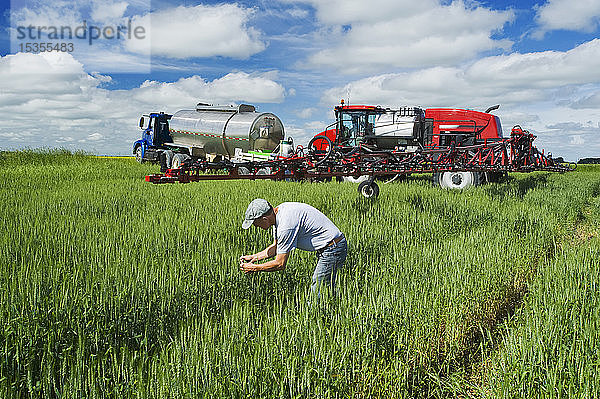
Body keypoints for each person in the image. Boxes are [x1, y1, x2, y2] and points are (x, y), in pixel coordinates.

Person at [239, 198, 347, 296]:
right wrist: (254, 257)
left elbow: (280, 264)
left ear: (264, 219)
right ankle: (331, 309)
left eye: (255, 223)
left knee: (318, 286)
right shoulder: (279, 213)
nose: (256, 226)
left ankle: (313, 315)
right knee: (325, 286)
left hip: (333, 247)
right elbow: (277, 247)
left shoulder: (285, 225)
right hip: (330, 246)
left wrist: (255, 267)